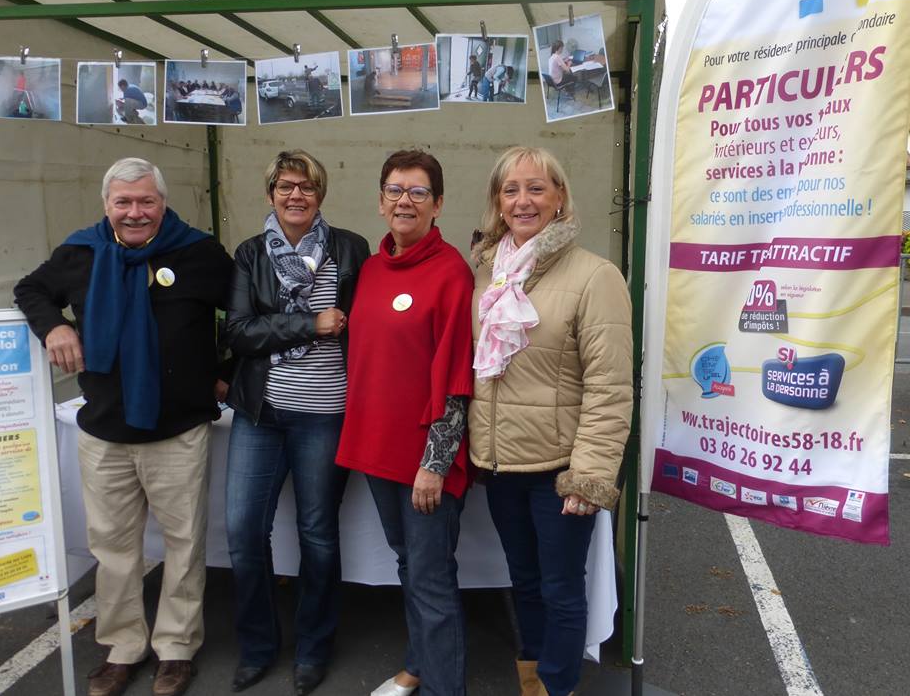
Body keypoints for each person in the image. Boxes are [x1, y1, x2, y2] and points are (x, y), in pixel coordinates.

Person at [14, 158, 234, 696]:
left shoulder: (199, 251)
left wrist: (223, 373)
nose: (135, 212)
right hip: (105, 431)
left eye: (146, 201)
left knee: (184, 545)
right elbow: (30, 289)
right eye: (124, 202)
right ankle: (122, 647)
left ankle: (176, 648)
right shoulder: (81, 252)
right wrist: (55, 329)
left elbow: (245, 314)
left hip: (178, 430)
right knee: (113, 549)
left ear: (162, 203)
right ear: (107, 206)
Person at [468, 147, 631, 696]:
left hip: (559, 468)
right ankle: (530, 681)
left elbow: (610, 389)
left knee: (561, 588)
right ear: (498, 201)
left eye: (537, 188)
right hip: (500, 462)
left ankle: (557, 687)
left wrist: (589, 475)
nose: (523, 200)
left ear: (560, 197)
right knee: (525, 581)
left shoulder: (595, 276)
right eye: (511, 190)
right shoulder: (488, 273)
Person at [223, 150, 369, 696]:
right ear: (270, 194)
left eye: (307, 187)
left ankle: (313, 648)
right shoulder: (250, 253)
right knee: (242, 531)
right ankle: (259, 646)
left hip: (326, 414)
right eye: (286, 186)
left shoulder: (349, 249)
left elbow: (367, 325)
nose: (296, 196)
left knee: (317, 534)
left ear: (321, 194)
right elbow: (238, 332)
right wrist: (309, 323)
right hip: (261, 412)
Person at [336, 150, 474, 696]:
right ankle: (418, 665)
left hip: (424, 460)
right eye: (395, 190)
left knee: (432, 579)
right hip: (377, 449)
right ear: (380, 200)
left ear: (437, 204)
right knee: (408, 566)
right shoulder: (371, 268)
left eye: (418, 192)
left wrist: (435, 464)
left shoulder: (451, 273)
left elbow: (458, 375)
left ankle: (445, 687)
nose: (404, 201)